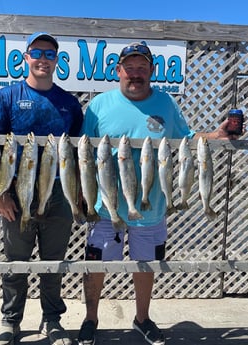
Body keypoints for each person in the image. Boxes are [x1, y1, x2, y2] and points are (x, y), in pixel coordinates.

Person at [77, 41, 240, 345]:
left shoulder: (166, 103)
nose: (135, 73)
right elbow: (84, 155)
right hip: (105, 204)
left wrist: (216, 135)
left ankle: (142, 318)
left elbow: (188, 139)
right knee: (96, 263)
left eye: (142, 67)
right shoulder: (99, 105)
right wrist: (83, 195)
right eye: (129, 67)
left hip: (150, 206)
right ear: (118, 70)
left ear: (152, 71)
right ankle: (90, 318)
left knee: (146, 264)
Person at [0, 32, 84, 345]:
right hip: (16, 192)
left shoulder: (69, 103)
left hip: (58, 192)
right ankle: (10, 321)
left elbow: (78, 154)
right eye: (37, 52)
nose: (43, 58)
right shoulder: (6, 97)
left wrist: (78, 193)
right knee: (16, 262)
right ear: (25, 58)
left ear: (57, 61)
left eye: (50, 54)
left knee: (54, 263)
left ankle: (52, 320)